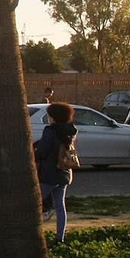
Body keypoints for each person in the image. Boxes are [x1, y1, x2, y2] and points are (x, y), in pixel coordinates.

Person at [34, 102, 79, 244]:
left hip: (49, 173)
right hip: (64, 172)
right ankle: (60, 236)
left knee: (35, 203)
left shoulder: (50, 131)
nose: (48, 118)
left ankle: (33, 235)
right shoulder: (70, 131)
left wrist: (35, 153)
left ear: (54, 117)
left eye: (49, 115)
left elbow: (42, 150)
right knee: (60, 205)